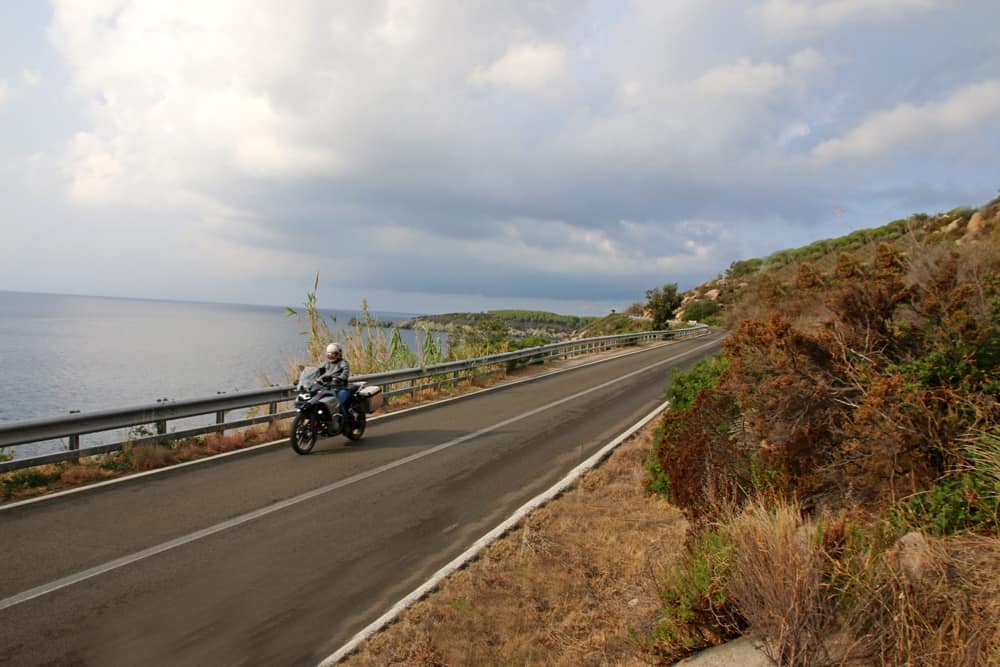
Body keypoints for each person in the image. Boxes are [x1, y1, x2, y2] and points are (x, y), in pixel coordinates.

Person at [318, 342, 352, 420]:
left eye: (334, 354)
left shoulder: (343, 363)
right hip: (328, 389)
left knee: (338, 403)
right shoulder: (326, 364)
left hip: (341, 388)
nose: (331, 356)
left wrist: (338, 379)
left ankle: (345, 420)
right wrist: (309, 377)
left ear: (339, 354)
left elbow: (345, 374)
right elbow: (319, 371)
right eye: (329, 354)